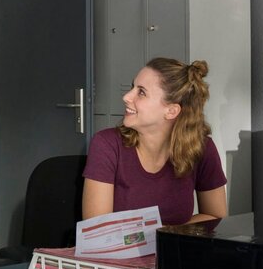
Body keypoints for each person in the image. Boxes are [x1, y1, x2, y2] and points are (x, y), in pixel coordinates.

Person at [82, 58, 227, 225]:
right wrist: (159, 237)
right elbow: (97, 229)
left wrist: (168, 237)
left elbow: (215, 215)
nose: (126, 97)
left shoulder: (202, 149)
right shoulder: (106, 144)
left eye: (141, 92)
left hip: (173, 250)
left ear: (171, 111)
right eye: (132, 87)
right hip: (116, 252)